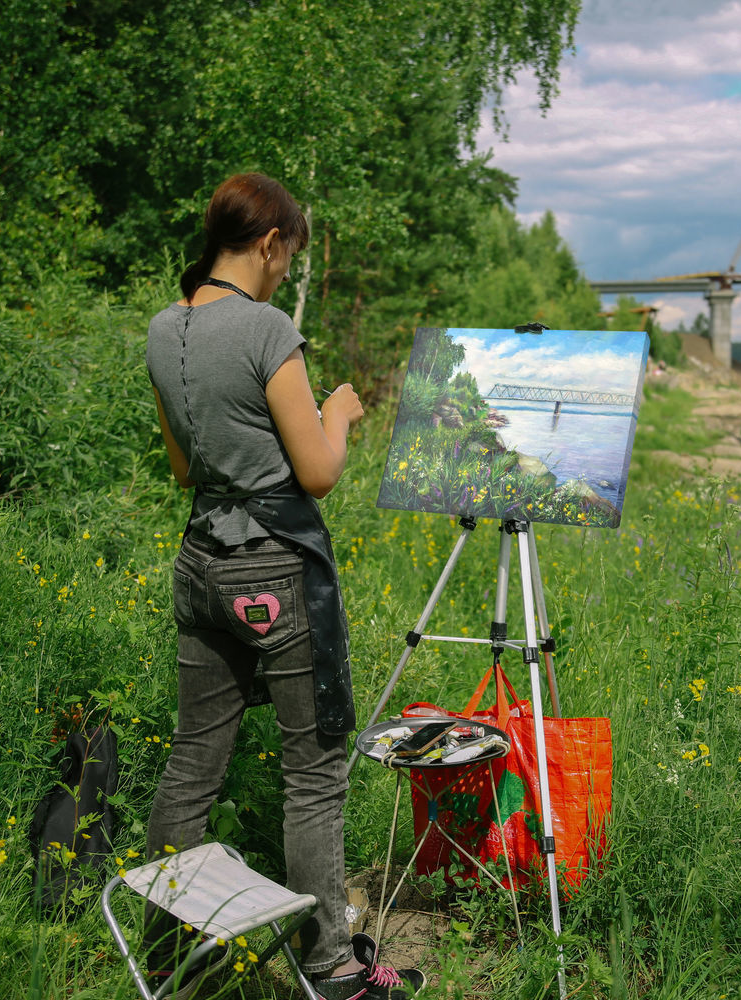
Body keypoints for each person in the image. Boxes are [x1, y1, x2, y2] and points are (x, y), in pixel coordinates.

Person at [142, 172, 422, 999]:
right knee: (314, 767)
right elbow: (319, 472)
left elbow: (182, 466)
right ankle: (335, 965)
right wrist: (340, 408)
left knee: (195, 758)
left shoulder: (164, 326)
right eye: (287, 255)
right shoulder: (266, 330)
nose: (285, 269)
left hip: (199, 560)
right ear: (269, 244)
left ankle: (166, 949)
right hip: (272, 566)